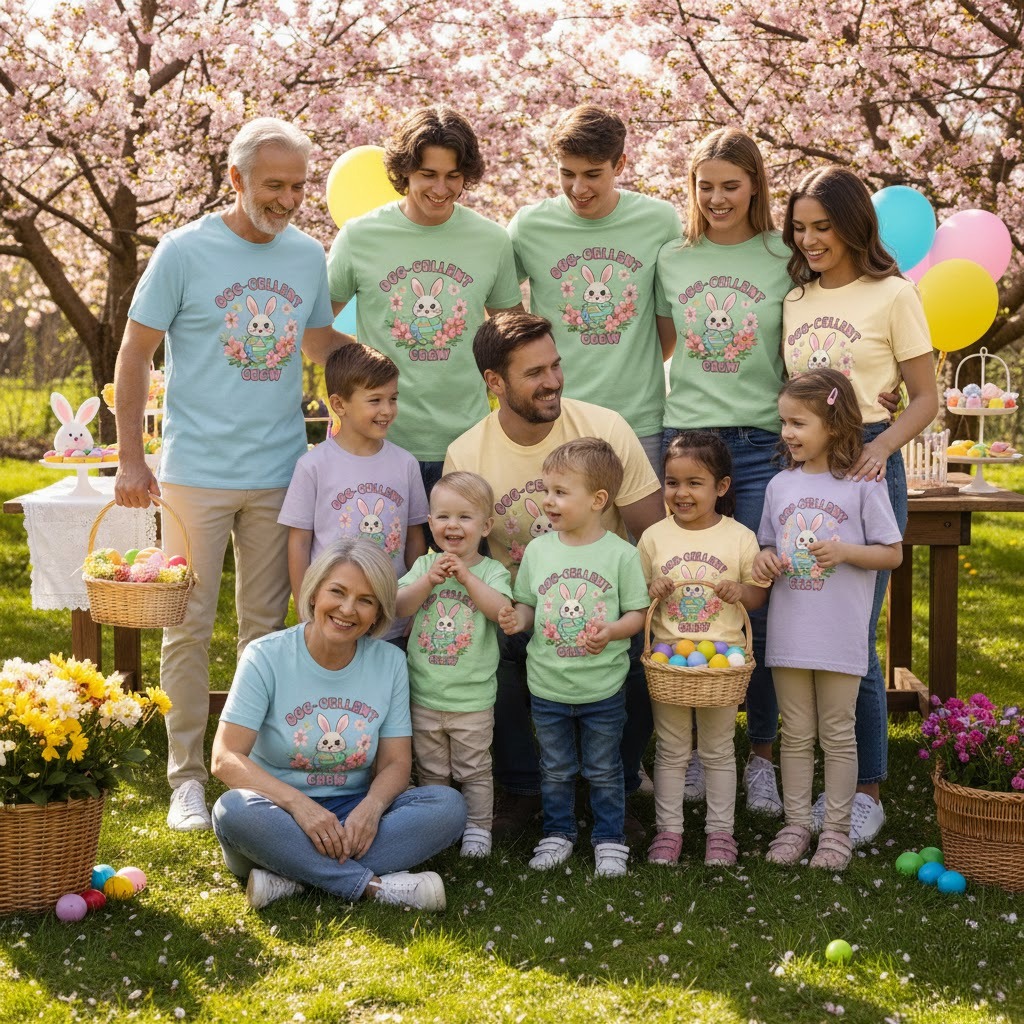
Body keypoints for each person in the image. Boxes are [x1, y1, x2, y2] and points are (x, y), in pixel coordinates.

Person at [113, 117, 344, 831]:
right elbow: (134, 354)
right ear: (236, 180)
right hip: (196, 474)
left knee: (264, 630)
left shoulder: (308, 255)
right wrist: (130, 457)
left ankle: (246, 768)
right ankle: (185, 775)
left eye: (299, 185)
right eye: (273, 185)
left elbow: (320, 343)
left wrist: (389, 357)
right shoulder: (184, 251)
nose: (288, 198)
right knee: (185, 628)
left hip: (280, 470)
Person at [444, 311, 665, 841]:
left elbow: (652, 534)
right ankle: (522, 789)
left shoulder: (604, 429)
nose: (553, 382)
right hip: (520, 605)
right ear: (495, 383)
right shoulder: (467, 453)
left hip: (604, 608)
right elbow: (466, 551)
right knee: (490, 653)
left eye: (556, 366)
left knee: (637, 663)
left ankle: (616, 784)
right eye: (535, 373)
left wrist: (645, 610)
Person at [781, 166, 937, 845]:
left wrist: (882, 448)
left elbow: (925, 396)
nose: (811, 239)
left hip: (872, 454)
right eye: (801, 228)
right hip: (808, 462)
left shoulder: (894, 294)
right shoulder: (795, 298)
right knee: (802, 620)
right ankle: (804, 784)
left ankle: (865, 789)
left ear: (853, 226)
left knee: (855, 640)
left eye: (823, 227)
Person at [210, 539, 467, 910]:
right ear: (314, 594)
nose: (348, 609)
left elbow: (396, 762)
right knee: (232, 810)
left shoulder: (390, 662)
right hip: (277, 815)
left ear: (379, 613)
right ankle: (374, 888)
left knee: (448, 807)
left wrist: (373, 807)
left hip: (353, 814)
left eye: (366, 600)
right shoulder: (265, 656)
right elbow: (225, 758)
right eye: (338, 592)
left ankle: (293, 878)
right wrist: (300, 807)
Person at [654, 128, 792, 817]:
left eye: (730, 185)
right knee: (687, 590)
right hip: (692, 441)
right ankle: (687, 752)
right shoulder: (673, 258)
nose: (716, 199)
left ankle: (758, 756)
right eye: (704, 186)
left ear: (755, 186)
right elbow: (658, 343)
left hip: (765, 444)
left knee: (757, 599)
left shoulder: (782, 256)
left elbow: (811, 346)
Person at [327, 105, 524, 494]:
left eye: (453, 176)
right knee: (379, 556)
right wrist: (365, 376)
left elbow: (512, 343)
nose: (441, 189)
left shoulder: (491, 240)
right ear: (404, 172)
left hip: (467, 446)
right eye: (428, 175)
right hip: (380, 444)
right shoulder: (359, 237)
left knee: (468, 557)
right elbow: (315, 333)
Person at [754, 369, 903, 870]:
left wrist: (845, 551)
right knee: (795, 732)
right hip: (791, 632)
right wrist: (766, 559)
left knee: (837, 732)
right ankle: (796, 824)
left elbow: (892, 554)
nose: (788, 433)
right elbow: (768, 544)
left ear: (834, 425)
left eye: (798, 422)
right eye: (784, 423)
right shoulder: (778, 485)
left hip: (839, 634)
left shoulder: (862, 485)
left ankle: (835, 831)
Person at [498, 439, 649, 877]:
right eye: (547, 490)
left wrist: (613, 631)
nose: (548, 500)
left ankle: (608, 838)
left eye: (561, 492)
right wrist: (516, 618)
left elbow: (637, 614)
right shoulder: (539, 552)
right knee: (556, 767)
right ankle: (558, 832)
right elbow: (528, 602)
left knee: (604, 767)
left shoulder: (621, 554)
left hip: (602, 686)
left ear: (598, 500)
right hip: (547, 685)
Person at [507, 105, 682, 474]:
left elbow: (670, 323)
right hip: (558, 417)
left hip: (639, 420)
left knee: (642, 532)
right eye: (567, 173)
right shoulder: (530, 225)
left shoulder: (659, 220)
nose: (578, 188)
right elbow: (497, 298)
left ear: (619, 165)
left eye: (592, 174)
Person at [637, 431, 768, 867]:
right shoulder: (655, 537)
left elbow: (758, 597)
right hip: (668, 659)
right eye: (673, 482)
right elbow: (639, 597)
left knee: (717, 750)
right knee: (672, 750)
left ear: (721, 487)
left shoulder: (738, 537)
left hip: (723, 663)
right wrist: (650, 587)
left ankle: (720, 834)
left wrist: (740, 591)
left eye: (695, 483)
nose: (682, 493)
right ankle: (669, 831)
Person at [396, 472, 513, 858]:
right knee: (432, 770)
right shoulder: (423, 566)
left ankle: (478, 829)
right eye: (443, 516)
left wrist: (467, 579)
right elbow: (399, 607)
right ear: (430, 523)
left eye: (465, 517)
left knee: (475, 769)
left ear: (486, 526)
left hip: (472, 697)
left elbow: (500, 611)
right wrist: (428, 581)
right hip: (425, 692)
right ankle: (442, 825)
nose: (453, 525)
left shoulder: (491, 572)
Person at [278, 343, 428, 645]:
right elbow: (299, 542)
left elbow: (414, 540)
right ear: (339, 404)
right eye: (375, 400)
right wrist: (304, 606)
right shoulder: (313, 466)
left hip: (391, 619)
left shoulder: (406, 464)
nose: (387, 410)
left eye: (393, 399)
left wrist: (417, 605)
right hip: (333, 617)